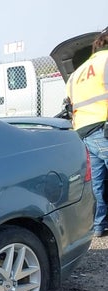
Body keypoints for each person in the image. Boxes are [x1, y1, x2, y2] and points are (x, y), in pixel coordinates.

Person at [67, 28, 108, 237]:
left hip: (83, 131)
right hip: (103, 127)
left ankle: (99, 225)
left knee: (98, 183)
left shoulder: (76, 74)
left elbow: (70, 104)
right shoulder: (106, 61)